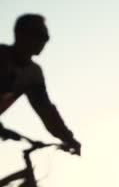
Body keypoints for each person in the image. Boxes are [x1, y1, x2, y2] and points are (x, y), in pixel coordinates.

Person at [0, 14, 80, 153]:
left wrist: (67, 137)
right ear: (20, 34)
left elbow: (45, 110)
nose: (44, 41)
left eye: (46, 37)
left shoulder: (33, 74)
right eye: (39, 35)